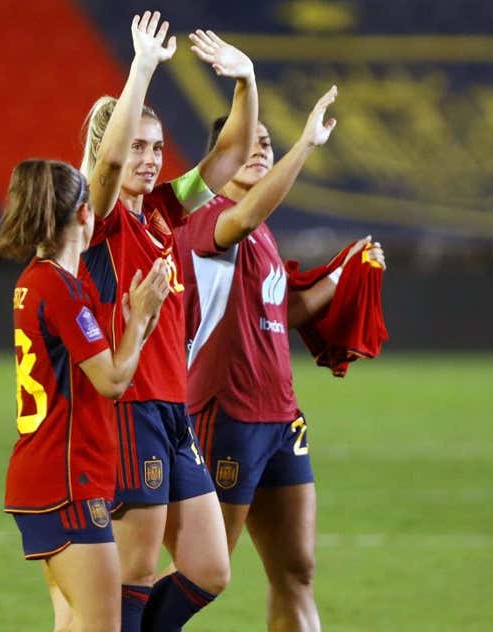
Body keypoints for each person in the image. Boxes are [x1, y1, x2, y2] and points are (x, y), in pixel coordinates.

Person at [175, 87, 384, 632]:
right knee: (202, 572)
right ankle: (121, 618)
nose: (262, 148)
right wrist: (307, 145)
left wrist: (343, 272)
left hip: (280, 417)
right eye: (249, 142)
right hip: (229, 414)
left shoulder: (261, 229)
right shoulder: (209, 218)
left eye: (269, 142)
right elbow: (241, 222)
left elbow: (285, 309)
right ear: (220, 157)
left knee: (297, 570)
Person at [76, 18, 259, 632]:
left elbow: (229, 153)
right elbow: (104, 165)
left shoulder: (162, 209)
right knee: (135, 573)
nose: (150, 160)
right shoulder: (96, 217)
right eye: (139, 147)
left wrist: (246, 82)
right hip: (129, 410)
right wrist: (142, 67)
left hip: (172, 411)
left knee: (210, 567)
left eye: (157, 148)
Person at [0, 12, 175, 631]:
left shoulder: (37, 282)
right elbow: (114, 379)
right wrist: (141, 318)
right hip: (67, 482)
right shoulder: (63, 288)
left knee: (73, 625)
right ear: (77, 213)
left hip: (46, 475)